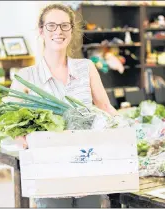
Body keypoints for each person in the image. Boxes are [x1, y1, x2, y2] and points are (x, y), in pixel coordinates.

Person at [10, 3, 118, 208]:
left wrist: (123, 128)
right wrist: (25, 141)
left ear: (71, 30)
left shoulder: (86, 68)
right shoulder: (26, 77)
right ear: (41, 31)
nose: (58, 31)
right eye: (51, 26)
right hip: (49, 172)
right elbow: (10, 125)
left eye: (64, 26)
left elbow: (105, 107)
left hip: (87, 166)